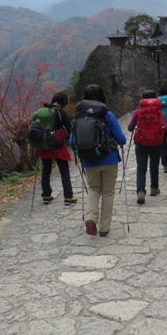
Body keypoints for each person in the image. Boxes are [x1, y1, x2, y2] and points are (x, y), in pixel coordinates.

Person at [70, 84, 126, 237]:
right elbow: (121, 139)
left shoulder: (79, 115)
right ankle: (104, 228)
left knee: (94, 189)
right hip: (109, 158)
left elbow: (71, 142)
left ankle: (90, 218)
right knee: (108, 192)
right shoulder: (107, 114)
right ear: (102, 96)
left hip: (89, 160)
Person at [34, 91, 76, 205]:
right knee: (64, 170)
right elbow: (70, 128)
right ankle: (68, 197)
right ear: (63, 103)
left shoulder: (42, 111)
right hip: (57, 146)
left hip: (43, 145)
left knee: (46, 171)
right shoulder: (60, 113)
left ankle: (46, 196)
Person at [128, 89, 166, 204]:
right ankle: (154, 188)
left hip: (141, 142)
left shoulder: (138, 112)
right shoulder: (159, 112)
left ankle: (140, 191)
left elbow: (130, 127)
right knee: (154, 166)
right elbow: (164, 126)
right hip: (156, 142)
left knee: (141, 168)